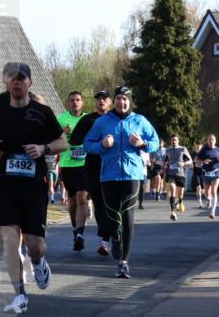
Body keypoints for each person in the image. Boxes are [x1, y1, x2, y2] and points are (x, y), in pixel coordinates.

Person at [0, 63, 66, 314]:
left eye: (21, 79)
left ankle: (37, 261)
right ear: (6, 82)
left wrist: (43, 149)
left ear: (30, 82)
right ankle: (20, 294)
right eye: (12, 79)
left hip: (34, 185)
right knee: (8, 240)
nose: (17, 83)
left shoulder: (42, 112)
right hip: (7, 183)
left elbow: (63, 142)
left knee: (36, 245)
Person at [83, 86, 159, 278]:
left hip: (132, 175)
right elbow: (87, 144)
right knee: (112, 218)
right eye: (118, 99)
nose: (121, 102)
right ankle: (115, 238)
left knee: (128, 217)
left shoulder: (140, 121)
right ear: (113, 101)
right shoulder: (102, 122)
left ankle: (123, 262)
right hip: (108, 176)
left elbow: (156, 141)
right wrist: (102, 145)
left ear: (129, 101)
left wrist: (143, 144)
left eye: (125, 99)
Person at [68, 90, 112, 256]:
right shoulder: (88, 119)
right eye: (98, 99)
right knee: (98, 203)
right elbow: (75, 140)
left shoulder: (116, 118)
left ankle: (106, 240)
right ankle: (81, 234)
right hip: (92, 167)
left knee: (109, 204)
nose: (101, 101)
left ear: (110, 101)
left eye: (104, 98)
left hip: (112, 167)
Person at [56, 91, 89, 250]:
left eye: (78, 100)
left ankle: (81, 234)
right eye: (72, 100)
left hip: (84, 164)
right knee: (73, 200)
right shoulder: (61, 119)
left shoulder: (88, 118)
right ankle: (75, 229)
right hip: (67, 164)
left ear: (82, 102)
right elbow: (53, 138)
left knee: (82, 197)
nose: (75, 103)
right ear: (69, 103)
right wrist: (63, 133)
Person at [162, 134, 194, 221]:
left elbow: (190, 160)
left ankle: (180, 202)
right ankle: (172, 212)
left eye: (175, 140)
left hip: (180, 174)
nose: (173, 141)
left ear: (178, 140)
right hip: (171, 173)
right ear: (170, 141)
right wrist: (164, 167)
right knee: (172, 189)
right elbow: (165, 161)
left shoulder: (183, 149)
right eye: (172, 140)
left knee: (180, 195)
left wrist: (184, 163)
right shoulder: (168, 150)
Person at [196, 134, 219, 219]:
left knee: (214, 191)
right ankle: (208, 200)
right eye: (209, 139)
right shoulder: (204, 150)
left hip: (216, 173)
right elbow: (196, 160)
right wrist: (203, 161)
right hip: (206, 173)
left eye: (212, 139)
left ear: (215, 141)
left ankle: (213, 212)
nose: (211, 141)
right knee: (207, 193)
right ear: (207, 141)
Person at [191, 141, 205, 208]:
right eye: (197, 145)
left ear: (202, 146)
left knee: (204, 189)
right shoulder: (193, 154)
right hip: (196, 172)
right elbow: (191, 161)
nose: (199, 147)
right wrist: (191, 165)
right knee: (198, 188)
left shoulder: (204, 153)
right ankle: (200, 203)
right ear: (195, 146)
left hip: (204, 173)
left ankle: (208, 200)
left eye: (200, 145)